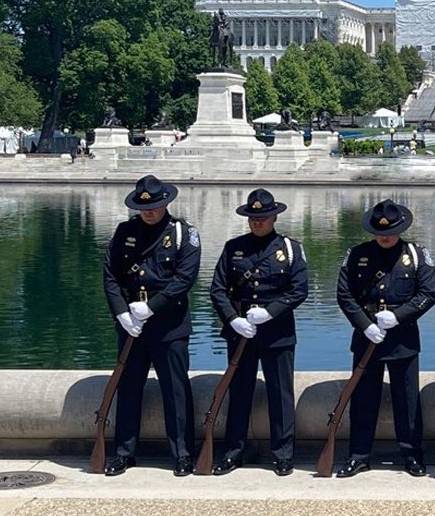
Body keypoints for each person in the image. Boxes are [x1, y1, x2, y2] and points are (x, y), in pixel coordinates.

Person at [102, 174, 201, 476]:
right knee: (129, 387)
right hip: (132, 324)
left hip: (169, 324)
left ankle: (183, 453)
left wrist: (152, 307)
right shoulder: (124, 232)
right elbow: (110, 276)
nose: (149, 211)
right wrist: (121, 313)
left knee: (176, 390)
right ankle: (124, 452)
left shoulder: (184, 233)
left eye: (155, 206)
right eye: (144, 207)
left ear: (166, 202)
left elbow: (185, 279)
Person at [208, 189, 309, 476]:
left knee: (281, 394)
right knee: (239, 392)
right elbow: (217, 289)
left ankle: (283, 453)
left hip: (277, 332)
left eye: (263, 217)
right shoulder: (233, 247)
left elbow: (299, 289)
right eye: (253, 218)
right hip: (241, 333)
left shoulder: (290, 248)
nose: (258, 222)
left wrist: (270, 311)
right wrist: (231, 319)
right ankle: (233, 451)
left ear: (274, 216)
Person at [335, 199, 435, 477]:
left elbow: (428, 294)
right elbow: (345, 295)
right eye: (380, 232)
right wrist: (364, 325)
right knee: (363, 400)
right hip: (367, 337)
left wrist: (399, 316)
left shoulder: (417, 254)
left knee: (407, 401)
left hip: (402, 338)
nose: (386, 236)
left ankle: (411, 454)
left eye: (391, 231)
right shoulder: (357, 254)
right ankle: (359, 455)